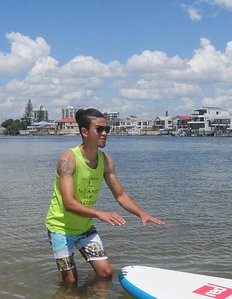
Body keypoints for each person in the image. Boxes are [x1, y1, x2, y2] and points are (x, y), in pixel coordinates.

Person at [45, 108, 164, 286]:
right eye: (99, 129)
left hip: (84, 228)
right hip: (60, 229)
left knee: (106, 273)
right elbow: (69, 203)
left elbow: (120, 194)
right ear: (84, 132)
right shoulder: (68, 160)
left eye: (106, 129)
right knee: (70, 281)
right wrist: (100, 213)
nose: (105, 133)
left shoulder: (106, 161)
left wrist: (141, 213)